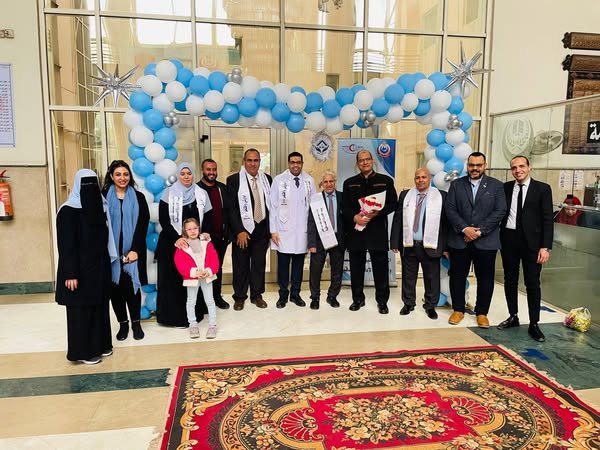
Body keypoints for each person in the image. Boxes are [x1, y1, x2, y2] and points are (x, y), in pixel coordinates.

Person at [55, 169, 114, 365]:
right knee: (81, 312)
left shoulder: (100, 208)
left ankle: (101, 345)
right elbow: (66, 246)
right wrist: (70, 273)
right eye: (86, 184)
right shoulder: (68, 211)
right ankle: (83, 352)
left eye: (93, 183)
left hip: (99, 268)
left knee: (99, 308)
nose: (90, 188)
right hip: (78, 271)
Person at [445, 151, 507, 328]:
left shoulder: (496, 186)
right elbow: (450, 209)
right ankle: (458, 310)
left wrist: (479, 232)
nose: (475, 168)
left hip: (486, 242)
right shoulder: (456, 185)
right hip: (460, 240)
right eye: (471, 165)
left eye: (478, 165)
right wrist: (465, 228)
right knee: (457, 276)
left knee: (485, 279)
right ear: (467, 165)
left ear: (485, 166)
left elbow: (500, 211)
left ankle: (482, 313)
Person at [498, 156, 553, 342]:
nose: (518, 170)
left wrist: (545, 247)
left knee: (532, 283)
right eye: (514, 167)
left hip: (533, 244)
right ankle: (513, 316)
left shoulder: (543, 189)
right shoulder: (505, 188)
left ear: (530, 167)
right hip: (509, 240)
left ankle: (534, 324)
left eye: (521, 166)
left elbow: (547, 219)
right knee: (510, 280)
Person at [155, 163, 212, 327]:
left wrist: (204, 233)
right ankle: (172, 318)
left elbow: (208, 217)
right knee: (172, 281)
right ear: (178, 176)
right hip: (172, 242)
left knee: (192, 278)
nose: (186, 176)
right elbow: (164, 220)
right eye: (182, 173)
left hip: (194, 243)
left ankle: (193, 316)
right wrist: (177, 238)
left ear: (193, 175)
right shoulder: (168, 193)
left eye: (189, 173)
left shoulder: (201, 193)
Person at [342, 150, 397, 314]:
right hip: (356, 232)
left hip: (377, 231)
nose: (364, 162)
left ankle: (382, 301)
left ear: (372, 161)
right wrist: (355, 217)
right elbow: (344, 207)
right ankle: (358, 299)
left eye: (367, 159)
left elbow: (393, 204)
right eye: (361, 160)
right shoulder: (349, 183)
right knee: (356, 268)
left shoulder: (385, 181)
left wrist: (377, 213)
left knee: (380, 268)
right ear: (357, 163)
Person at [390, 168, 448, 320]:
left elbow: (446, 224)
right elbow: (398, 219)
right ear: (414, 179)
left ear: (430, 179)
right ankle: (408, 303)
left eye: (424, 177)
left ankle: (430, 306)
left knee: (431, 278)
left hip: (431, 245)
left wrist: (445, 247)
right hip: (410, 244)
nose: (420, 180)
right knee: (408, 277)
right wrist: (394, 241)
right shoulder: (405, 195)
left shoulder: (441, 196)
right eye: (417, 177)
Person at [102, 160, 149, 341]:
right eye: (118, 174)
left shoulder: (138, 197)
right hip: (110, 253)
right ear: (111, 176)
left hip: (133, 252)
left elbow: (142, 225)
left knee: (132, 288)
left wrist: (135, 249)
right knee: (115, 289)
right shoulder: (103, 196)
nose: (122, 178)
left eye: (126, 174)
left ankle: (136, 323)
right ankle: (123, 324)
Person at [227, 148, 272, 310]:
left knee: (259, 264)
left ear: (260, 162)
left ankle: (257, 295)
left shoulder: (267, 179)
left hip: (261, 229)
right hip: (243, 231)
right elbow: (231, 209)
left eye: (256, 160)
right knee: (241, 265)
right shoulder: (234, 180)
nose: (253, 164)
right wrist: (239, 230)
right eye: (249, 160)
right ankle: (240, 297)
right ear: (244, 162)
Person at [270, 152, 316, 309]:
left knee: (298, 266)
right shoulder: (279, 180)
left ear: (302, 163)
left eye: (298, 162)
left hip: (302, 231)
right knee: (283, 266)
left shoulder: (309, 181)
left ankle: (295, 294)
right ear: (288, 163)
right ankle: (283, 295)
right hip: (283, 232)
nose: (295, 165)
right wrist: (273, 230)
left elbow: (313, 207)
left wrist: (312, 233)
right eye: (292, 162)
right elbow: (273, 207)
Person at [174, 218, 220, 339]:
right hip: (192, 278)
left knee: (210, 300)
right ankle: (193, 325)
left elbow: (214, 259)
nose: (193, 231)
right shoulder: (182, 246)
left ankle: (212, 325)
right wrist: (194, 272)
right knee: (191, 301)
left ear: (199, 228)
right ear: (184, 231)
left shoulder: (206, 243)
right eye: (189, 229)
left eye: (195, 228)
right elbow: (180, 264)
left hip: (206, 276)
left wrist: (208, 271)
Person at [197, 159, 232, 310]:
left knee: (217, 267)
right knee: (202, 269)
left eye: (214, 169)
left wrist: (228, 233)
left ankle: (217, 297)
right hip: (202, 239)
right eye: (208, 169)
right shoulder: (196, 189)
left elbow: (229, 212)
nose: (211, 172)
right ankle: (203, 301)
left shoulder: (222, 188)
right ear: (202, 170)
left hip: (220, 237)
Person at [307, 170, 344, 309]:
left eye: (331, 181)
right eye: (325, 182)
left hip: (338, 239)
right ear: (322, 184)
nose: (328, 184)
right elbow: (311, 222)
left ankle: (332, 296)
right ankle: (315, 298)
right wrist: (311, 244)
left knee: (337, 271)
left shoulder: (342, 197)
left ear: (335, 182)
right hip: (319, 240)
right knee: (315, 271)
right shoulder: (316, 199)